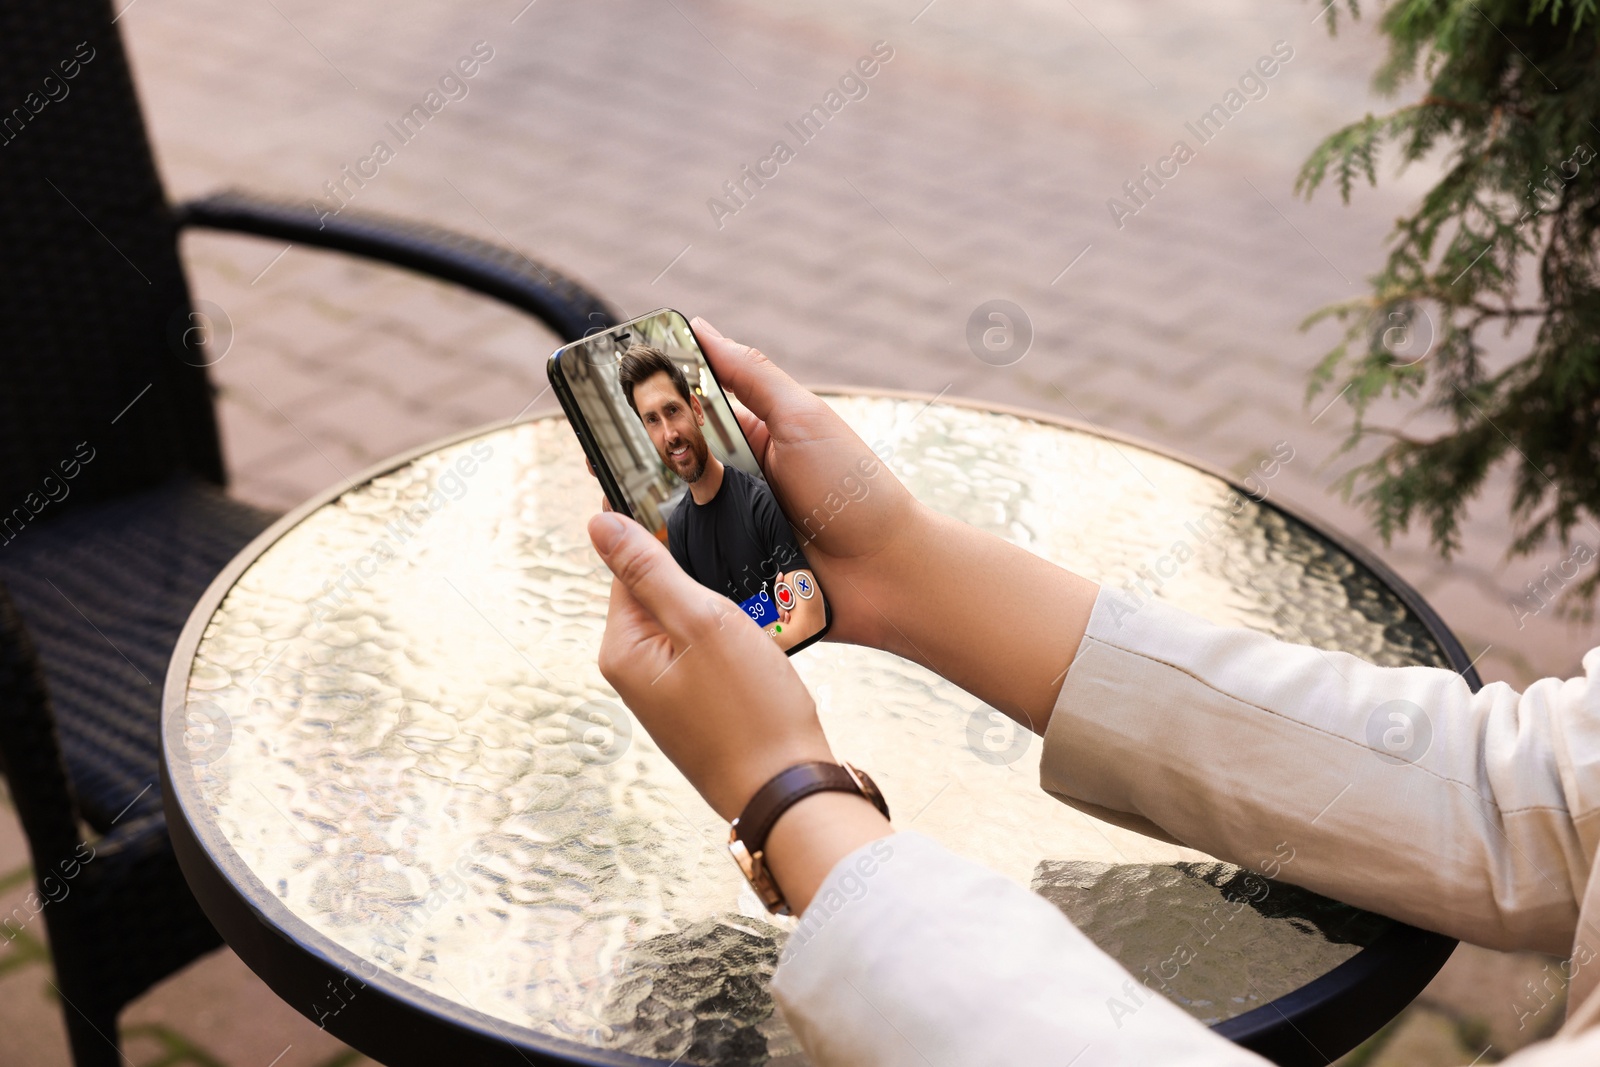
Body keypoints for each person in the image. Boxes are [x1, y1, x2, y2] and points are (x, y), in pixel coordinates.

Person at [586, 317, 1600, 1066]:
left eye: (680, 406)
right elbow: (1528, 790)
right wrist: (903, 573)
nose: (675, 430)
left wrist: (789, 799)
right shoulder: (689, 519)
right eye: (657, 417)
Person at [616, 342, 824, 651]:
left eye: (672, 411)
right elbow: (699, 640)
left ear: (696, 410)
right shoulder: (679, 529)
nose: (670, 434)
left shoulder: (760, 503)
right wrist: (771, 621)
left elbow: (810, 622)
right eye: (653, 420)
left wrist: (734, 638)